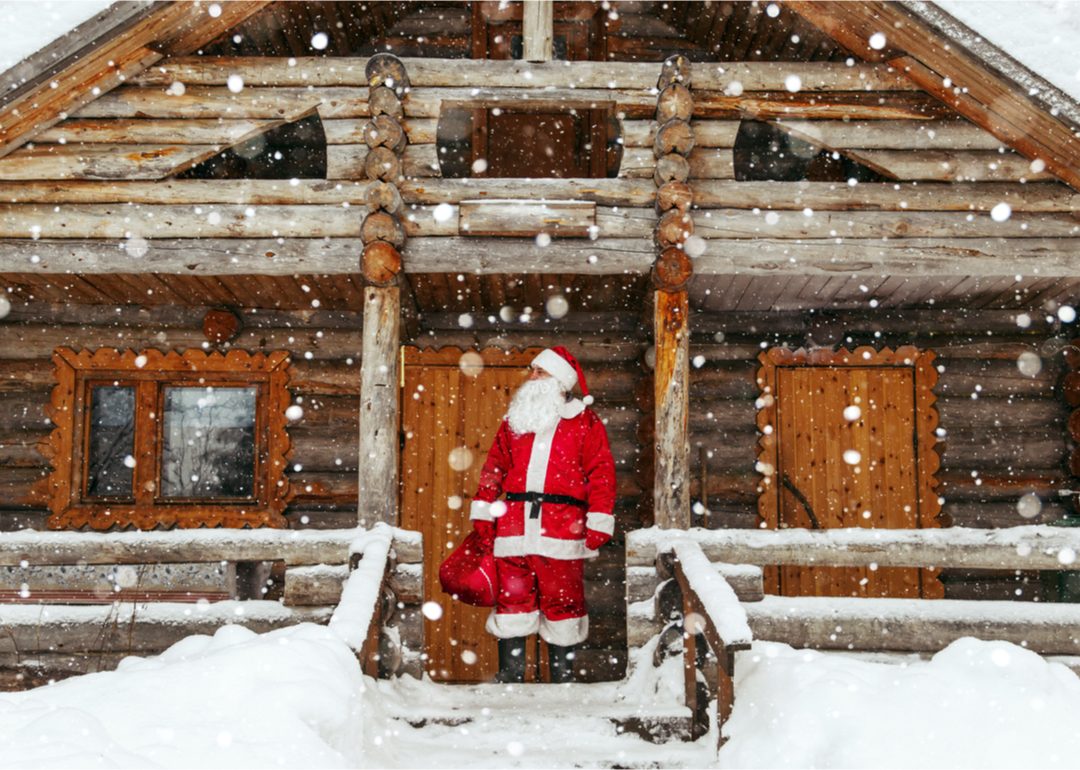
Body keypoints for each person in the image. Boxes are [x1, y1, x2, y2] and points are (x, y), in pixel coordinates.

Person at [470, 346, 616, 684]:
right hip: (514, 527)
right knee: (513, 601)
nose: (532, 378)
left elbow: (601, 473)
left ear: (561, 382)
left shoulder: (585, 422)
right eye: (532, 371)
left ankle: (562, 681)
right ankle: (511, 677)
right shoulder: (515, 422)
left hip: (562, 528)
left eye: (541, 372)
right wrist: (484, 511)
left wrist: (599, 518)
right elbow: (493, 468)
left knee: (563, 603)